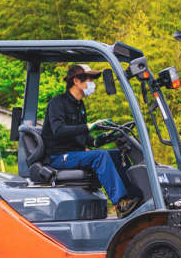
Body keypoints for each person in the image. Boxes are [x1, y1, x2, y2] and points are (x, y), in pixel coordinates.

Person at [43, 64, 140, 218]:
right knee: (100, 156)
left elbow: (83, 136)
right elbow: (59, 130)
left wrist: (101, 139)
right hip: (59, 156)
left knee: (116, 154)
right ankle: (120, 203)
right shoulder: (58, 103)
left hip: (75, 153)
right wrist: (88, 126)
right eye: (89, 79)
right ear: (76, 81)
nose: (92, 83)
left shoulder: (79, 106)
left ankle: (135, 197)